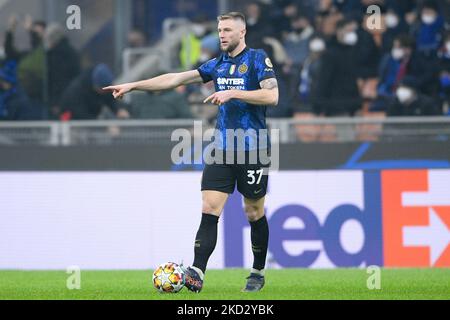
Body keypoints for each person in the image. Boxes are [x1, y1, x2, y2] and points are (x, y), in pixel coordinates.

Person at [104, 12, 279, 293]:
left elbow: (272, 96)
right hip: (222, 148)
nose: (222, 34)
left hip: (253, 149)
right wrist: (134, 85)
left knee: (253, 211)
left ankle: (257, 271)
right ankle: (197, 271)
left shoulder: (258, 59)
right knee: (210, 208)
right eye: (220, 29)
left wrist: (233, 94)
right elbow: (175, 79)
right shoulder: (217, 64)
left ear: (242, 32)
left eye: (228, 30)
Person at [60, 63, 129, 120]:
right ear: (95, 86)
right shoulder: (77, 91)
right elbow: (81, 115)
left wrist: (119, 110)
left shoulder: (102, 86)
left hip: (90, 117)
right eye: (103, 89)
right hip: (73, 120)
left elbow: (111, 99)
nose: (105, 92)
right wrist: (105, 127)